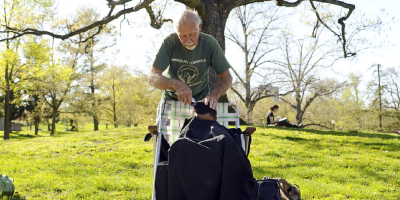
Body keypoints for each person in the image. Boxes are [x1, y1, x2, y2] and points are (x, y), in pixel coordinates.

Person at [147, 9, 232, 111]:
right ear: (177, 32)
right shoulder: (169, 42)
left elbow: (226, 77)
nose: (188, 41)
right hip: (171, 102)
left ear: (199, 27)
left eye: (192, 34)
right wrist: (176, 85)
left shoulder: (210, 43)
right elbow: (152, 77)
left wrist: (214, 96)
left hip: (200, 103)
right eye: (182, 36)